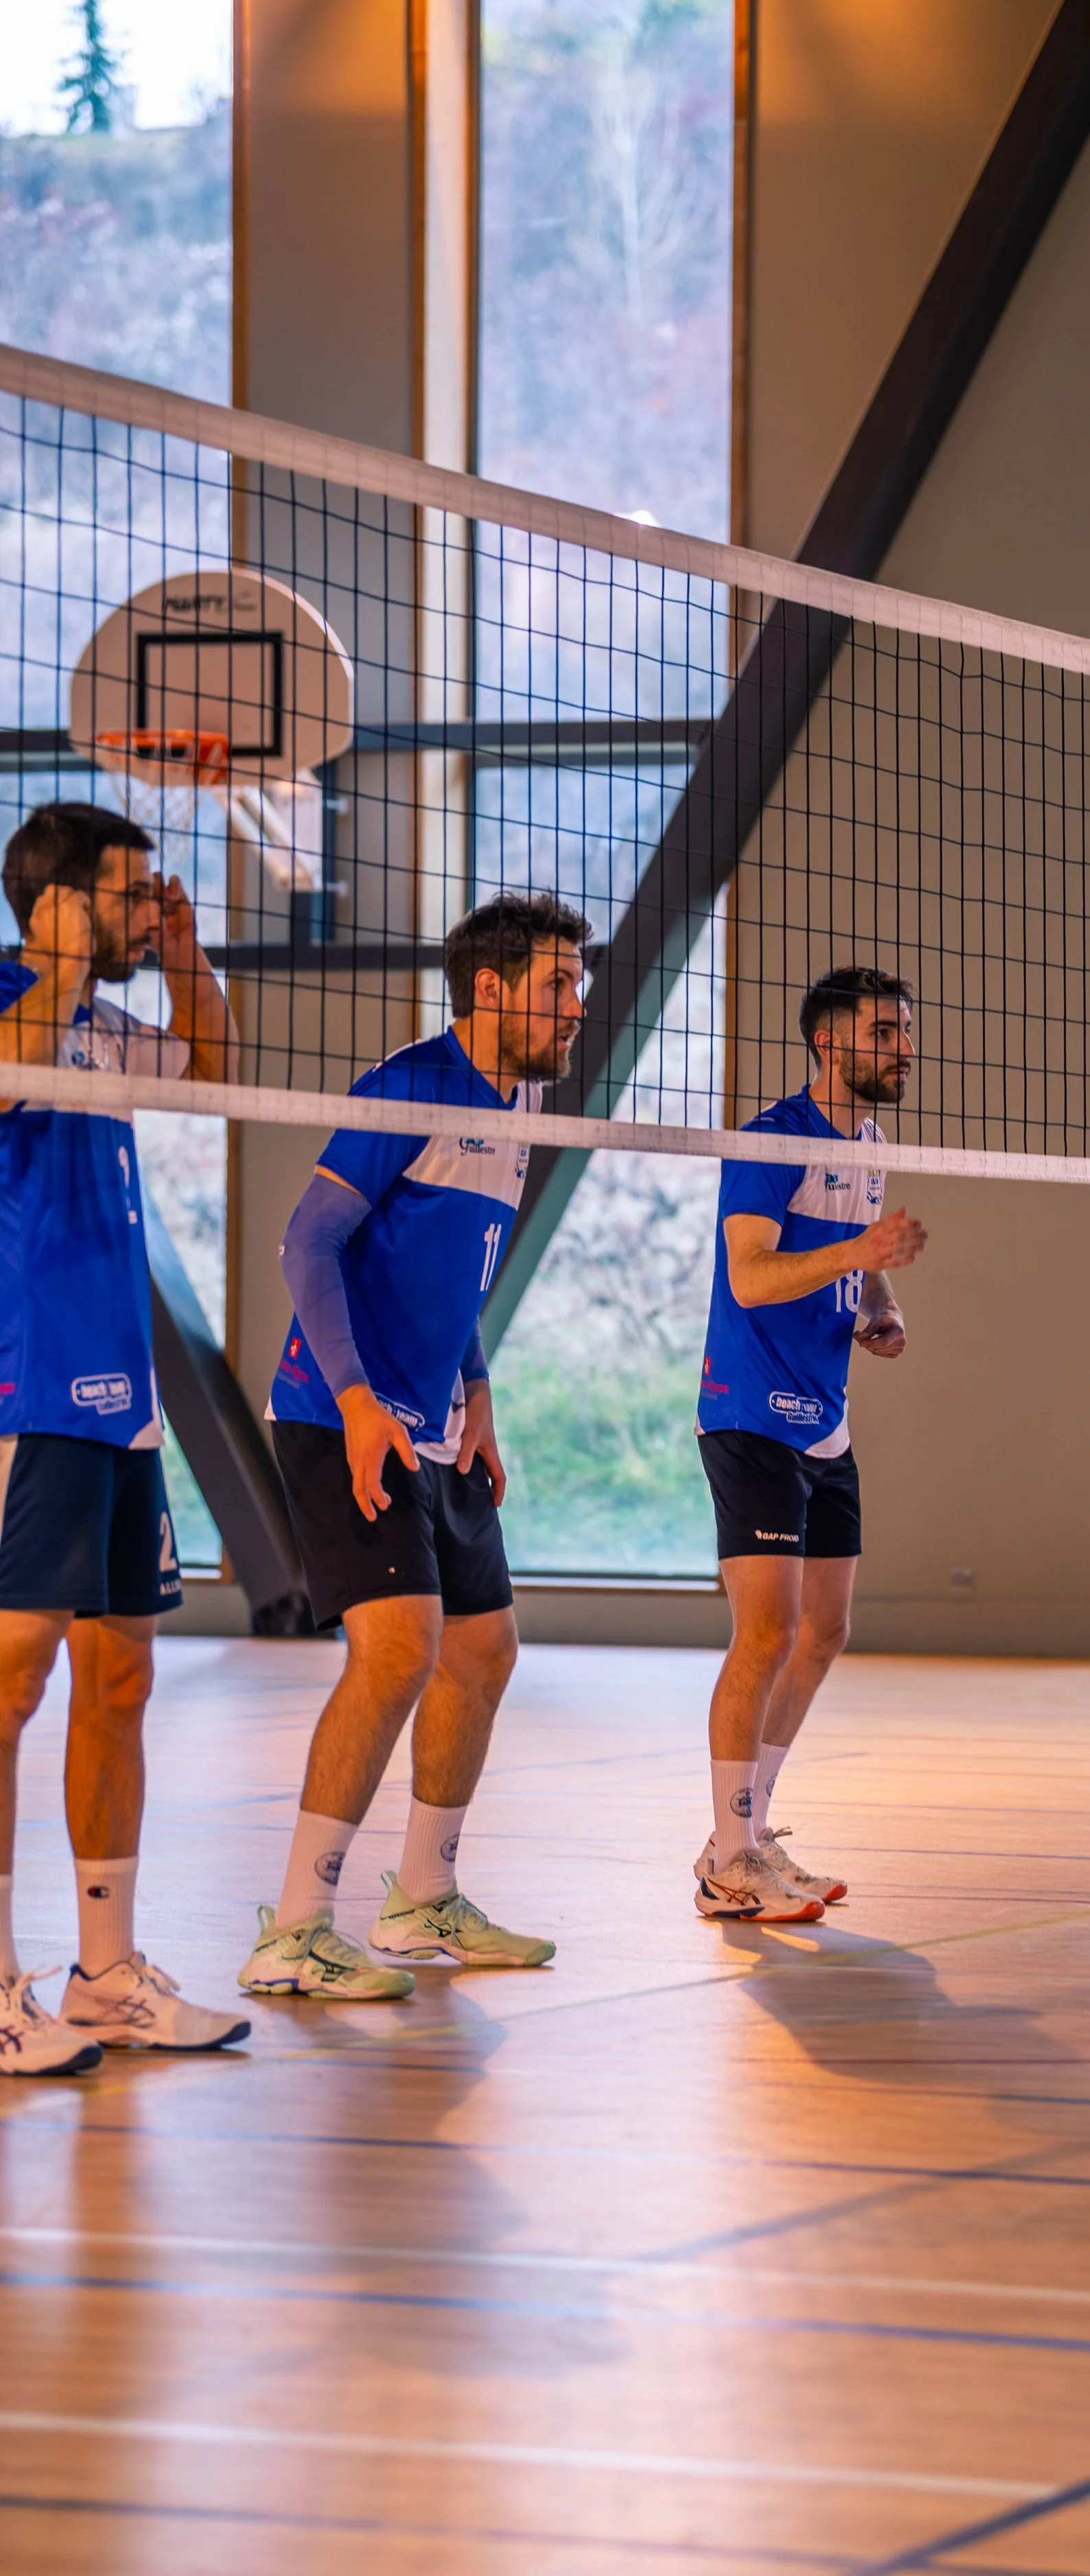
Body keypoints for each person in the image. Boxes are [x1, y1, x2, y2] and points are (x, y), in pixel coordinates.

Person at [237, 890, 590, 2002]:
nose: (576, 1005)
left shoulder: (523, 1105)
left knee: (483, 1654)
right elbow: (308, 1243)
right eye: (557, 985)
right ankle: (294, 1930)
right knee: (397, 1651)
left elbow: (455, 1274)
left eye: (577, 985)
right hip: (341, 1416)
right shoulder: (408, 1088)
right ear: (489, 991)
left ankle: (424, 1896)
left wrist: (476, 1388)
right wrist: (356, 1403)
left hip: (436, 1424)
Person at [0, 800, 248, 2072]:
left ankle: (103, 1975)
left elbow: (208, 1072)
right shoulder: (19, 1003)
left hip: (121, 1401)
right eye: (132, 889)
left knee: (121, 1677)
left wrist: (188, 950)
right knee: (12, 1678)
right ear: (56, 902)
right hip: (22, 1396)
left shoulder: (98, 1024)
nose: (150, 906)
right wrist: (54, 952)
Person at [693, 965, 927, 1923]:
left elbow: (854, 1267)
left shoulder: (870, 1146)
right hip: (749, 1412)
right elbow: (751, 1277)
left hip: (824, 1420)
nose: (904, 1048)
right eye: (884, 1033)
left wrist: (881, 1305)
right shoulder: (771, 1140)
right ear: (829, 1043)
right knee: (767, 1634)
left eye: (906, 1031)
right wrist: (858, 1259)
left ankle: (742, 1840)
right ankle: (725, 1861)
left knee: (824, 1634)